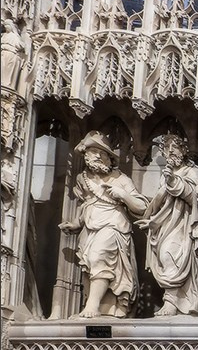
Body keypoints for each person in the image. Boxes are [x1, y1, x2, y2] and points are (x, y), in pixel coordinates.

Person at [60, 132, 149, 318]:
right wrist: (76, 224)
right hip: (90, 228)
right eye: (94, 151)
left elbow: (142, 207)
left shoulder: (121, 179)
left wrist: (123, 195)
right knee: (90, 265)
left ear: (110, 158)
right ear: (86, 155)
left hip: (113, 226)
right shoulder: (82, 179)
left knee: (98, 256)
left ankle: (92, 306)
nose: (98, 156)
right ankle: (100, 307)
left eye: (103, 153)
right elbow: (85, 204)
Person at [139, 134, 198, 316]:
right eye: (166, 148)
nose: (170, 151)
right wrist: (152, 221)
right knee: (166, 257)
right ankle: (173, 301)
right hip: (165, 225)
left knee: (172, 255)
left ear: (185, 150)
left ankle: (173, 302)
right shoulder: (165, 176)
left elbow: (196, 196)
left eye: (175, 147)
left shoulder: (193, 172)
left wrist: (173, 182)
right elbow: (158, 204)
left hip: (185, 224)